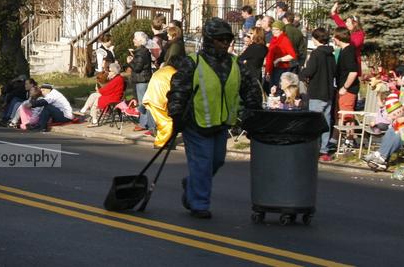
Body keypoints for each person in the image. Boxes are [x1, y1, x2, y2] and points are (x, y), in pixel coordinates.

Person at [168, 18, 263, 219]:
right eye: (221, 39)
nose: (225, 43)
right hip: (195, 122)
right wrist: (176, 116)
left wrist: (254, 112)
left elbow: (250, 89)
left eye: (228, 39)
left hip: (221, 124)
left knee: (217, 161)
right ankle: (199, 204)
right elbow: (178, 90)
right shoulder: (193, 62)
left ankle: (193, 184)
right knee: (202, 164)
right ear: (210, 40)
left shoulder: (235, 64)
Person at [300, 27, 337, 161]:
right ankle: (324, 150)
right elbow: (334, 71)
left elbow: (309, 71)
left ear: (315, 39)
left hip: (316, 92)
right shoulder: (331, 55)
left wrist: (301, 74)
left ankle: (314, 149)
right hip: (328, 92)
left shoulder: (316, 54)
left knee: (315, 123)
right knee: (325, 123)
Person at [333, 26, 360, 140]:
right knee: (341, 114)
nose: (333, 39)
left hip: (348, 89)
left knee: (346, 114)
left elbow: (353, 72)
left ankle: (349, 139)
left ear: (338, 38)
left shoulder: (349, 51)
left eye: (334, 37)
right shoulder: (343, 50)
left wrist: (345, 87)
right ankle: (337, 137)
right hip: (341, 87)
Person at [127, 31, 153, 134]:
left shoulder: (140, 52)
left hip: (141, 80)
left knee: (143, 103)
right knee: (145, 102)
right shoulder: (144, 51)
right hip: (145, 78)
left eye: (135, 39)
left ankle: (144, 124)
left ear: (140, 41)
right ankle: (146, 123)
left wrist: (130, 62)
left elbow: (137, 68)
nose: (133, 40)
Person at [264, 22, 297, 89]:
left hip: (280, 69)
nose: (274, 31)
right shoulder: (274, 39)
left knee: (276, 90)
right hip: (272, 68)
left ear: (282, 30)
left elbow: (292, 55)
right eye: (273, 30)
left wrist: (279, 59)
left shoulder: (285, 40)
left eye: (276, 29)